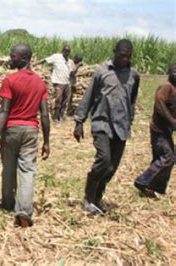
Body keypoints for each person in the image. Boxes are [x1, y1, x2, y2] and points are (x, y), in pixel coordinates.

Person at [73, 39, 140, 214]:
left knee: (111, 167)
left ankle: (97, 197)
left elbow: (131, 101)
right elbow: (88, 96)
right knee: (104, 160)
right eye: (122, 55)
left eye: (128, 56)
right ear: (114, 51)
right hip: (102, 123)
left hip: (122, 126)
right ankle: (88, 197)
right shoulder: (102, 72)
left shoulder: (133, 75)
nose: (125, 59)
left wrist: (130, 119)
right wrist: (79, 121)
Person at [0, 43, 50, 227]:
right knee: (27, 170)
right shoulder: (40, 83)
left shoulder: (10, 81)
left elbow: (4, 111)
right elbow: (45, 114)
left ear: (24, 59)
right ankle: (24, 210)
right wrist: (47, 141)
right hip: (31, 131)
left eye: (13, 56)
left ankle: (8, 203)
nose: (10, 59)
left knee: (8, 168)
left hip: (12, 130)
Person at [134, 64, 175, 197]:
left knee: (160, 158)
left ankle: (152, 186)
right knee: (168, 157)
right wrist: (172, 122)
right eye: (174, 71)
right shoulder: (166, 87)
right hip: (159, 130)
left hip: (165, 130)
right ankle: (142, 181)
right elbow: (159, 105)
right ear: (169, 73)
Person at [34, 45, 72, 122]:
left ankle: (61, 116)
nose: (67, 53)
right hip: (58, 82)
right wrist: (35, 64)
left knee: (65, 100)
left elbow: (70, 72)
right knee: (58, 99)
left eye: (68, 52)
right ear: (62, 51)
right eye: (66, 51)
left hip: (66, 82)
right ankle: (55, 116)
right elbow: (45, 60)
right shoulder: (56, 57)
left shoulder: (69, 61)